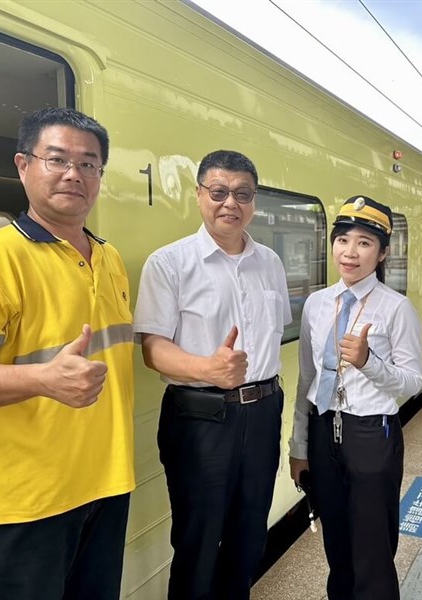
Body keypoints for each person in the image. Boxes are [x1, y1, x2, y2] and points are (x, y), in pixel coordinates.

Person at [0, 107, 135, 599]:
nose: (73, 174)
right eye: (57, 159)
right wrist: (43, 380)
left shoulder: (109, 258)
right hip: (23, 503)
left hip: (106, 485)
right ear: (23, 165)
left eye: (89, 164)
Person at [134, 150, 292, 600]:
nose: (230, 203)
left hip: (263, 412)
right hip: (199, 418)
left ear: (254, 201)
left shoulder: (270, 264)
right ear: (200, 195)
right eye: (219, 192)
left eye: (242, 194)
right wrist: (207, 368)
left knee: (248, 537)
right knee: (198, 542)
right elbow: (153, 349)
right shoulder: (169, 263)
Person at [289, 196, 422, 600]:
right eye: (343, 239)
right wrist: (299, 446)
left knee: (372, 549)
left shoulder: (395, 308)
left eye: (365, 243)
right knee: (337, 546)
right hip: (322, 427)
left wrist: (368, 362)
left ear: (382, 253)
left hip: (370, 433)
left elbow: (413, 381)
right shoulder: (316, 304)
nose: (350, 252)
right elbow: (307, 378)